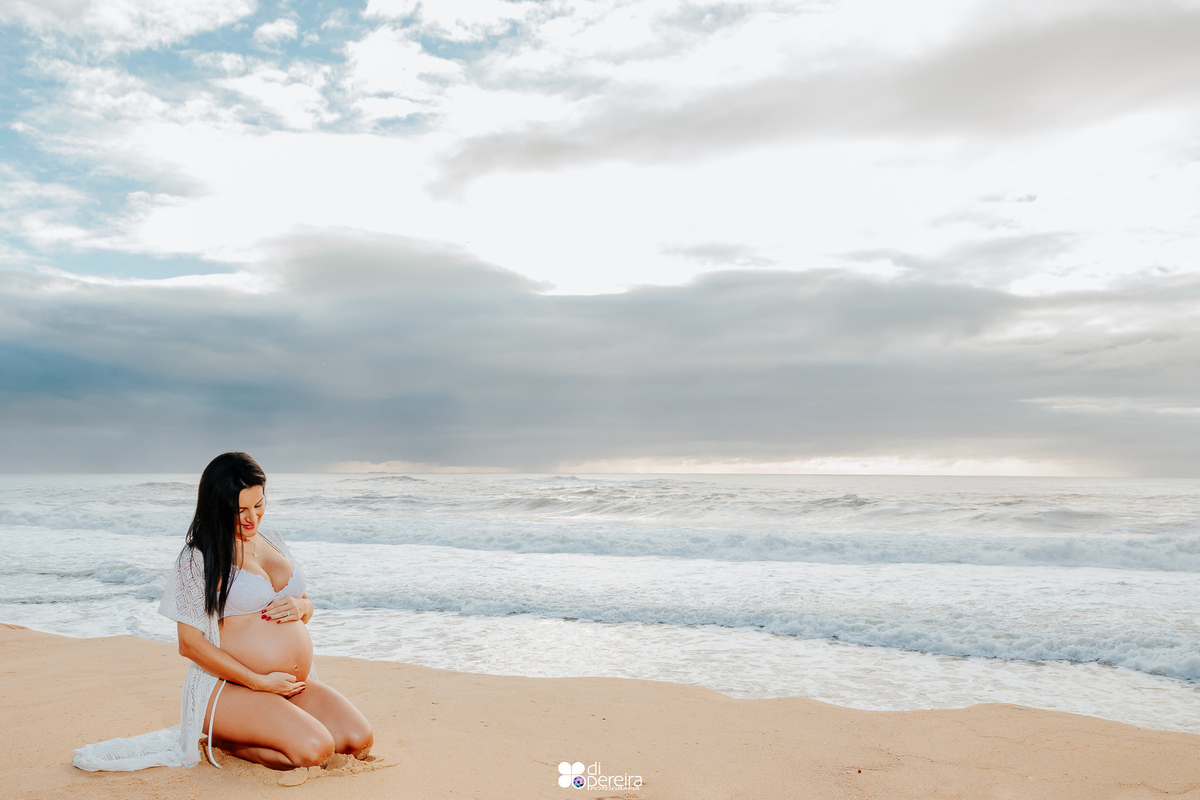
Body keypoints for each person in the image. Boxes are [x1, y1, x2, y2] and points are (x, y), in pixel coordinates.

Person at [74, 452, 372, 772]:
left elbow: (303, 605)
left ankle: (272, 724)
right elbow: (189, 644)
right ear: (216, 506)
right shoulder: (200, 557)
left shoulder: (273, 539)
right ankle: (229, 742)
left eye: (258, 505)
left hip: (288, 686)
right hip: (232, 690)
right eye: (239, 510)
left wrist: (304, 605)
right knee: (315, 751)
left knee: (359, 741)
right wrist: (258, 682)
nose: (252, 518)